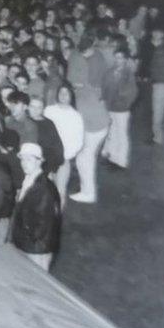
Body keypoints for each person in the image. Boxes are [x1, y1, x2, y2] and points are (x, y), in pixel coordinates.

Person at [68, 34, 109, 204]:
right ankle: (88, 191)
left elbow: (85, 120)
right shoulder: (97, 59)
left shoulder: (82, 92)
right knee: (86, 156)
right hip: (101, 124)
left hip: (95, 126)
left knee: (84, 157)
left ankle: (88, 193)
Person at [10, 143, 62, 271]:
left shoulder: (43, 189)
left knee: (37, 282)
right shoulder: (30, 179)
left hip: (37, 249)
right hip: (29, 244)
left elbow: (42, 226)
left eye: (29, 159)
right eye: (22, 159)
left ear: (39, 161)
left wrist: (27, 241)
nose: (24, 163)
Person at [43, 85, 84, 207]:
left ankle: (57, 218)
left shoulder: (76, 116)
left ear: (71, 96)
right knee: (46, 189)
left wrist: (64, 155)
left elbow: (78, 141)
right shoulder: (49, 110)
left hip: (62, 158)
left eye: (67, 93)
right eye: (61, 92)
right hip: (47, 156)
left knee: (60, 191)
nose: (63, 95)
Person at [102, 46, 139, 169]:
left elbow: (132, 92)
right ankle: (112, 157)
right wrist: (105, 100)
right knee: (111, 132)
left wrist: (125, 102)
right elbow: (104, 88)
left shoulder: (128, 74)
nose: (118, 60)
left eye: (121, 58)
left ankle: (121, 160)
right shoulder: (109, 72)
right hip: (110, 107)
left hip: (122, 108)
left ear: (125, 60)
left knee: (122, 133)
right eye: (116, 57)